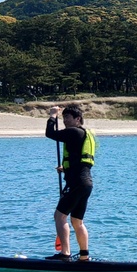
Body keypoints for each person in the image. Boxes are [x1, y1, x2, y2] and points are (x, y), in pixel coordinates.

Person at [45, 104, 96, 261]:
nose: (65, 120)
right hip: (85, 183)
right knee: (77, 221)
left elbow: (50, 134)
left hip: (77, 183)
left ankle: (65, 254)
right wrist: (65, 168)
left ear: (77, 119)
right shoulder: (83, 134)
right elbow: (79, 160)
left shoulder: (74, 131)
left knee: (59, 216)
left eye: (68, 117)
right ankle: (84, 256)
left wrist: (53, 115)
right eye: (63, 117)